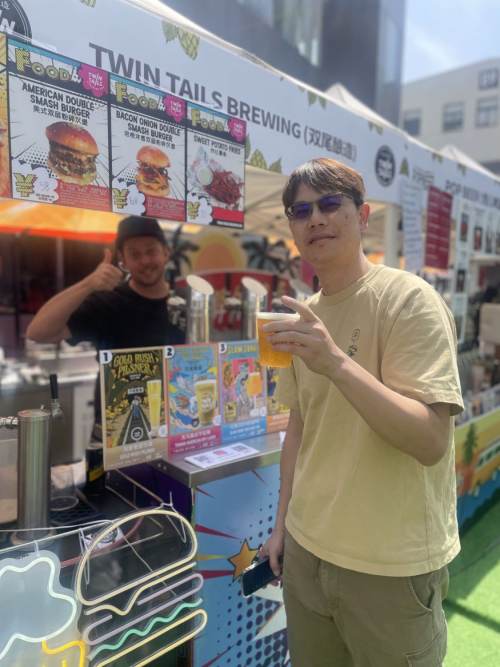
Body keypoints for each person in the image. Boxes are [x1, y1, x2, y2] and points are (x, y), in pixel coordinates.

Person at [261, 158, 463, 667]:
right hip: (306, 551)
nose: (315, 218)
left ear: (364, 215)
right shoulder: (305, 314)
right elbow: (299, 430)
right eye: (301, 211)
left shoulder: (409, 300)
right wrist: (281, 524)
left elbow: (430, 441)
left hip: (388, 567)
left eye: (330, 204)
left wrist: (335, 362)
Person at [26, 216, 185, 439]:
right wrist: (89, 283)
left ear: (166, 253)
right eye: (135, 254)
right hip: (116, 436)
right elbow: (38, 332)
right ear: (123, 260)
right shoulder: (107, 303)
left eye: (151, 251)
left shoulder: (185, 304)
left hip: (175, 431)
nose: (145, 261)